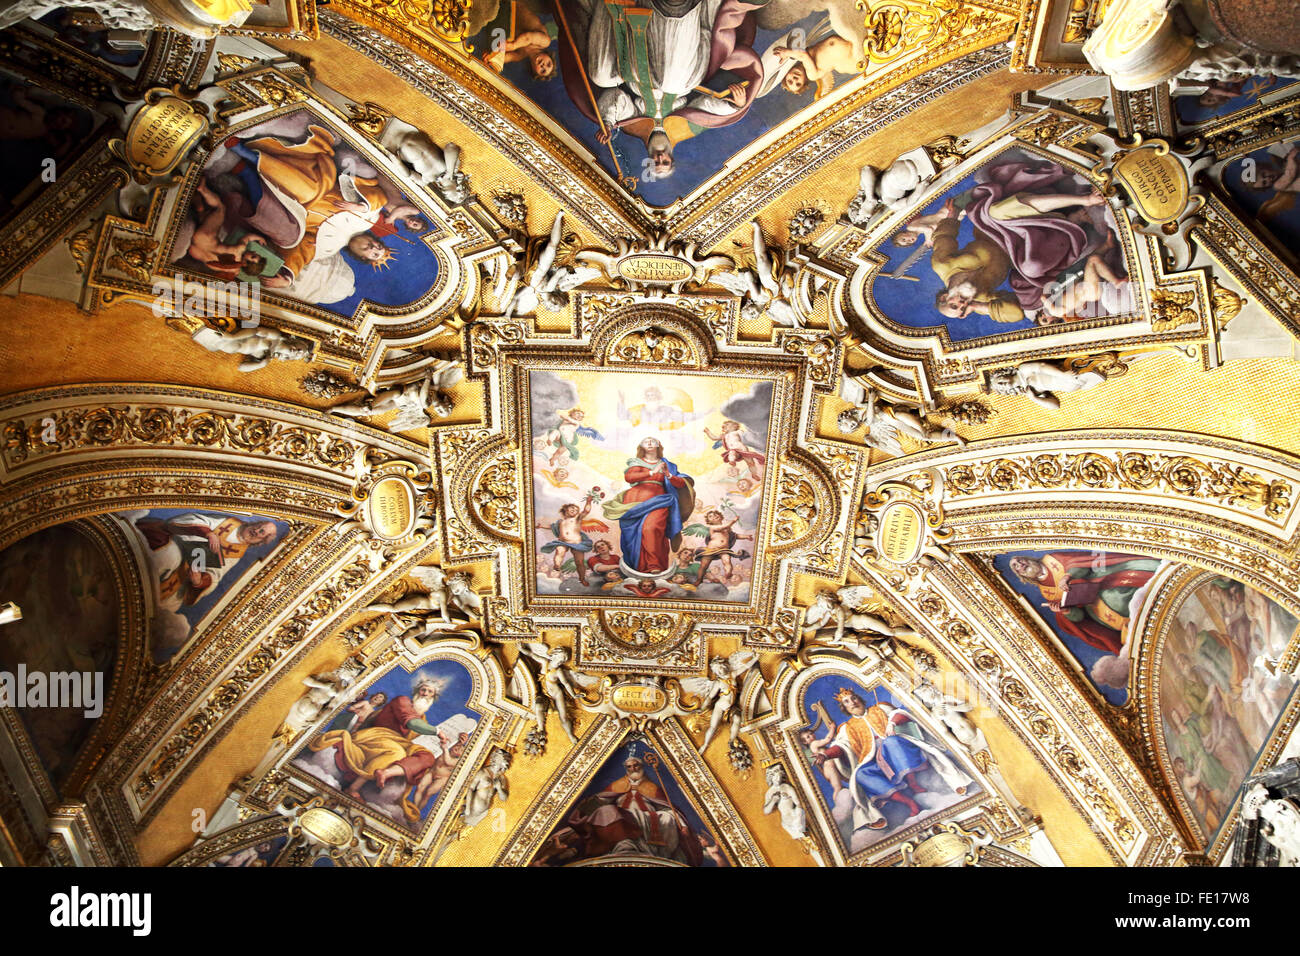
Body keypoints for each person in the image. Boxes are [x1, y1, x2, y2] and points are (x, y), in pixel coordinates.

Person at [556, 0, 766, 180]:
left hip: (635, 65)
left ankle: (611, 4)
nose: (659, 157)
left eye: (655, 162)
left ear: (648, 157)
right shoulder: (684, 128)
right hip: (684, 72)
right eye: (665, 161)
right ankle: (676, 6)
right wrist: (734, 106)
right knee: (672, 82)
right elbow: (707, 108)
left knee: (601, 76)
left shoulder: (635, 125)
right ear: (671, 157)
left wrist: (609, 122)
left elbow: (616, 98)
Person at [308, 675, 464, 823]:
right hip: (376, 734)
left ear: (433, 698)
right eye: (423, 689)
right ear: (417, 691)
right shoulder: (402, 701)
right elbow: (411, 723)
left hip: (400, 742)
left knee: (427, 757)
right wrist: (437, 732)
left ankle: (385, 772)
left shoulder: (423, 719)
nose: (425, 694)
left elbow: (421, 738)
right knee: (396, 752)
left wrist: (454, 742)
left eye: (430, 692)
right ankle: (354, 788)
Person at [1007, 552, 1161, 655]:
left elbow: (1081, 564)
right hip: (1093, 606)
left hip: (1100, 580)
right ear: (1021, 576)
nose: (1020, 565)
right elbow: (1079, 616)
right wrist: (1066, 611)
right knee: (1115, 618)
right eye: (1016, 567)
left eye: (1020, 561)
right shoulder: (1046, 592)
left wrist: (1068, 576)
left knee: (1116, 598)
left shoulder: (1051, 559)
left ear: (1029, 559)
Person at [601, 437, 695, 575]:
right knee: (630, 535)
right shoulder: (637, 462)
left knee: (651, 528)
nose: (650, 443)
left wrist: (668, 475)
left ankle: (654, 565)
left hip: (659, 500)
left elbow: (681, 484)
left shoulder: (668, 465)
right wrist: (652, 471)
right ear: (641, 447)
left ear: (659, 445)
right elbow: (630, 477)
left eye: (653, 441)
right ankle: (635, 566)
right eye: (646, 441)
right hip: (633, 504)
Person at [691, 509, 752, 585]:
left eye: (715, 514)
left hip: (724, 550)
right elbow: (725, 526)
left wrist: (746, 536)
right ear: (709, 521)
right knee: (704, 565)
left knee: (727, 560)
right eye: (710, 516)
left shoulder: (727, 529)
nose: (714, 516)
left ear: (720, 516)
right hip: (711, 549)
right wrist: (733, 520)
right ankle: (699, 580)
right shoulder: (712, 527)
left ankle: (728, 573)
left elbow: (735, 536)